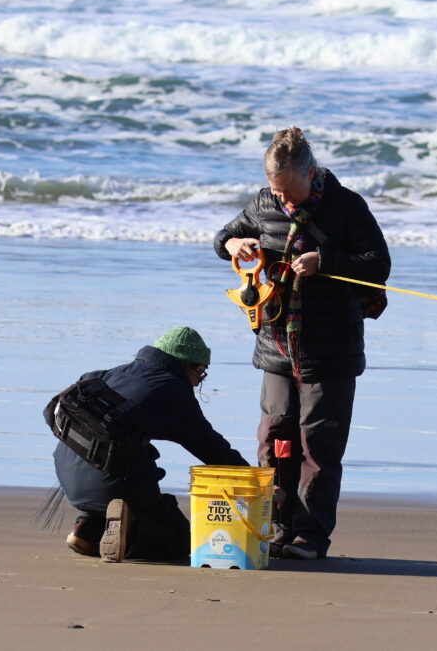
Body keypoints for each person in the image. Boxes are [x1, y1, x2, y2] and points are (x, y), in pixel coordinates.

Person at [213, 127, 391, 559]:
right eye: (278, 191)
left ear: (311, 173)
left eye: (290, 191)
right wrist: (234, 243)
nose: (284, 201)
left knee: (318, 447)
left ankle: (310, 537)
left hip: (330, 351)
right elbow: (223, 239)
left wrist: (325, 261)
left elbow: (378, 264)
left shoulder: (347, 206)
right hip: (275, 347)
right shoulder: (264, 202)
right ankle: (276, 528)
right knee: (275, 440)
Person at [53, 326, 249, 562]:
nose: (198, 383)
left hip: (67, 477)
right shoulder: (171, 390)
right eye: (201, 372)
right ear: (186, 365)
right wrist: (258, 481)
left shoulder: (108, 374)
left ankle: (85, 528)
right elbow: (212, 448)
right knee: (179, 541)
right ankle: (130, 529)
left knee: (127, 451)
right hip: (114, 484)